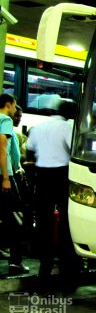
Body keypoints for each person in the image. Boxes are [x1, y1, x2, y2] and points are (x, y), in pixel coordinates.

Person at [26, 101, 83, 285]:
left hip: (42, 176)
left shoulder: (39, 127)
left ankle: (44, 268)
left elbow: (29, 150)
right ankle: (68, 267)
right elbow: (74, 150)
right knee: (67, 220)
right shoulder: (66, 127)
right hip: (62, 175)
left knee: (45, 221)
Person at [0, 93, 29, 275]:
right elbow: (2, 148)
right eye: (14, 105)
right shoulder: (5, 120)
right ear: (9, 104)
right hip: (5, 176)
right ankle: (15, 262)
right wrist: (5, 178)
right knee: (17, 218)